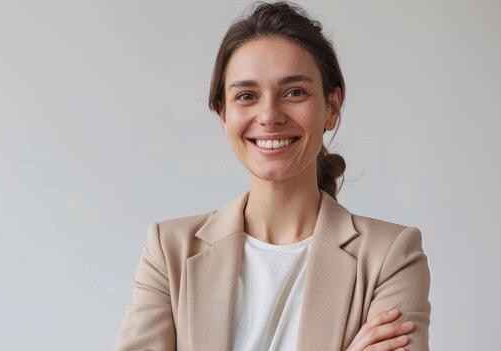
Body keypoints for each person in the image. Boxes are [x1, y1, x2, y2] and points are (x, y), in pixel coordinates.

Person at [114, 2, 431, 350]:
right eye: (246, 96)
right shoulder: (170, 250)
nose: (269, 115)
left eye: (294, 92)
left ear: (332, 107)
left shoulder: (390, 256)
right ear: (224, 114)